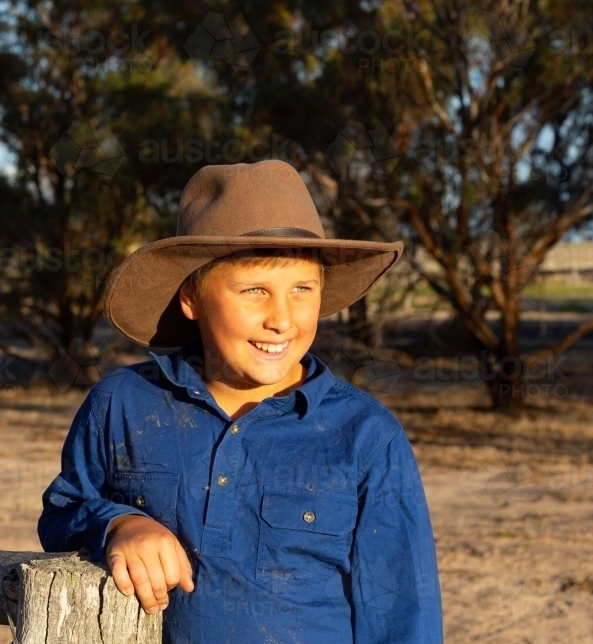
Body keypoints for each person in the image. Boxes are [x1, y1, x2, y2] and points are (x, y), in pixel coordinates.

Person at [37, 159, 444, 643]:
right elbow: (64, 511)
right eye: (254, 290)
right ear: (192, 298)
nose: (282, 319)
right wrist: (119, 524)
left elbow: (404, 615)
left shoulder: (365, 434)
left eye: (302, 290)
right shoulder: (122, 404)